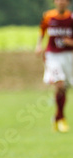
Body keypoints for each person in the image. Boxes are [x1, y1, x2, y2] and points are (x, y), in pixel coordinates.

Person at [36, 0, 72, 133]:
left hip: (68, 56)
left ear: (68, 3)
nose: (61, 2)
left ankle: (57, 117)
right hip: (53, 56)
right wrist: (39, 45)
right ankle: (62, 119)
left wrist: (69, 42)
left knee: (64, 89)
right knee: (60, 84)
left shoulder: (71, 18)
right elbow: (42, 31)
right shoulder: (48, 16)